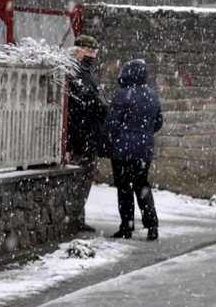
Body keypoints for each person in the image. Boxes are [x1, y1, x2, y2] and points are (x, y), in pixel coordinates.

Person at [101, 59, 164, 241]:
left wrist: (105, 146)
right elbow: (158, 121)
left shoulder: (122, 95)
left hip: (122, 151)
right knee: (142, 185)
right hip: (144, 151)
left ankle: (127, 227)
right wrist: (145, 135)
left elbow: (111, 125)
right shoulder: (152, 95)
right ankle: (152, 227)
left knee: (124, 188)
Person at [67, 34, 109, 233]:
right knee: (79, 179)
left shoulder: (89, 73)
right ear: (77, 51)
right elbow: (90, 100)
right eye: (88, 51)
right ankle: (73, 218)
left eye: (94, 52)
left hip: (90, 136)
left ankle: (78, 217)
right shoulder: (74, 72)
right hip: (80, 136)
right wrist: (104, 107)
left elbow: (98, 100)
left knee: (85, 179)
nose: (92, 55)